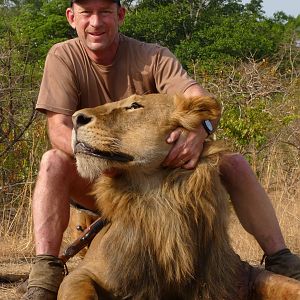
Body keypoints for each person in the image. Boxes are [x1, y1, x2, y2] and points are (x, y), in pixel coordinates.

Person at [22, 0, 300, 299]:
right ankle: (46, 271)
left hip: (156, 175)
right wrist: (105, 158)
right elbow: (59, 128)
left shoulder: (152, 55)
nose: (95, 22)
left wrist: (198, 129)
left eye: (104, 12)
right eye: (86, 13)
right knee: (53, 161)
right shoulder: (63, 55)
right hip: (100, 178)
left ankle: (280, 258)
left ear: (120, 15)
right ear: (71, 17)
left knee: (232, 162)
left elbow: (203, 102)